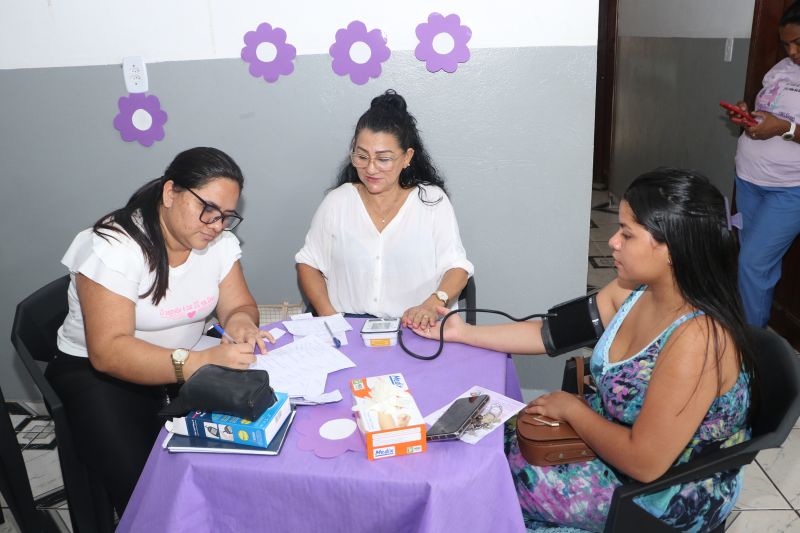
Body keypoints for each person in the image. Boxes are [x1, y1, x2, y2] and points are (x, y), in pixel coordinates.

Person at [413, 168, 756, 532]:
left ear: (671, 250)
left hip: (664, 491)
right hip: (613, 442)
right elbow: (549, 334)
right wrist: (462, 331)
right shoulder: (635, 291)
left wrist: (573, 410)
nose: (612, 242)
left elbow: (645, 462)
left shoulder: (697, 340)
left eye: (627, 233)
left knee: (488, 489)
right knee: (493, 443)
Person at [47, 147, 274, 515]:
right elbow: (110, 351)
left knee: (248, 444)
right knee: (149, 486)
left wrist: (242, 324)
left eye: (226, 217)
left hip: (190, 358)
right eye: (208, 209)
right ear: (170, 193)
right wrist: (199, 363)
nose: (216, 225)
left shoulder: (216, 244)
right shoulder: (114, 246)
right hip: (100, 374)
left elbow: (238, 305)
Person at [295, 89, 473, 328]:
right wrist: (329, 317)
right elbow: (309, 263)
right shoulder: (338, 202)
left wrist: (433, 302)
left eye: (383, 159)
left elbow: (457, 267)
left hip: (417, 329)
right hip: (350, 328)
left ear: (407, 157)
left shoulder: (432, 201)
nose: (370, 168)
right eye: (362, 156)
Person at [726, 0, 800, 327]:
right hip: (749, 180)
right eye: (787, 44)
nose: (793, 51)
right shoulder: (780, 70)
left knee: (752, 263)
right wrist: (748, 115)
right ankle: (756, 333)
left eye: (799, 43)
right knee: (759, 265)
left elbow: (783, 123)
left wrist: (784, 128)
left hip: (789, 190)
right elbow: (767, 113)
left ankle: (749, 349)